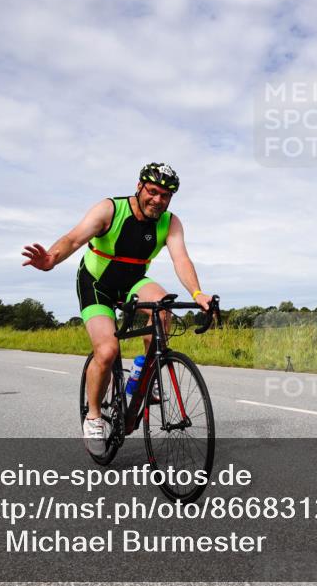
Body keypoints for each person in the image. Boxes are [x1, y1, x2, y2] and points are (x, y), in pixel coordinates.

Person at [22, 163, 213, 455]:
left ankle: (143, 374)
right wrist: (51, 259)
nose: (157, 200)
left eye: (165, 195)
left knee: (163, 309)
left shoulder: (170, 222)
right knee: (108, 350)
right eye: (153, 191)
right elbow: (73, 239)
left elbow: (181, 259)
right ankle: (95, 416)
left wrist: (197, 293)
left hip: (133, 281)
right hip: (97, 283)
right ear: (139, 187)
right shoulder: (109, 209)